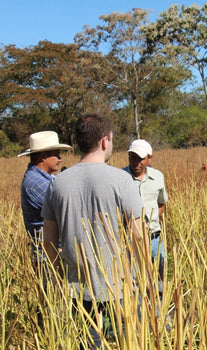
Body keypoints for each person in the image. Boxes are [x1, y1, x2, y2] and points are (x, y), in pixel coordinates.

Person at [42, 113, 144, 348]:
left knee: (87, 343)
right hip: (119, 283)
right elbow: (137, 235)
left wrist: (59, 279)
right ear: (104, 141)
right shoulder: (121, 180)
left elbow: (48, 241)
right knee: (129, 340)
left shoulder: (57, 183)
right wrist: (141, 276)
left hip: (76, 287)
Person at [123, 139, 168, 297]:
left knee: (160, 278)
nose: (136, 162)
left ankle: (160, 314)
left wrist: (152, 220)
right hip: (132, 240)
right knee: (136, 282)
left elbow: (161, 203)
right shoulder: (121, 178)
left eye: (140, 158)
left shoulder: (158, 177)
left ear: (150, 158)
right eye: (132, 157)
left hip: (155, 237)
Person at [18, 131, 72, 261]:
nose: (60, 159)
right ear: (43, 156)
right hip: (48, 257)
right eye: (57, 155)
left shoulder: (41, 178)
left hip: (50, 253)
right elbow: (67, 207)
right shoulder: (37, 183)